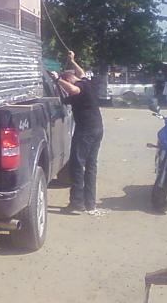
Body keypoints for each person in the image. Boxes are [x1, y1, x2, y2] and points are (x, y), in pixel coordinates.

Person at [51, 51, 104, 215]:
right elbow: (80, 73)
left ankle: (76, 203)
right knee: (91, 165)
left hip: (86, 131)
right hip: (97, 129)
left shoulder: (79, 87)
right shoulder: (85, 82)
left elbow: (73, 90)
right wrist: (72, 60)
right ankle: (90, 203)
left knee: (77, 164)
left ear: (68, 80)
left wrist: (57, 80)